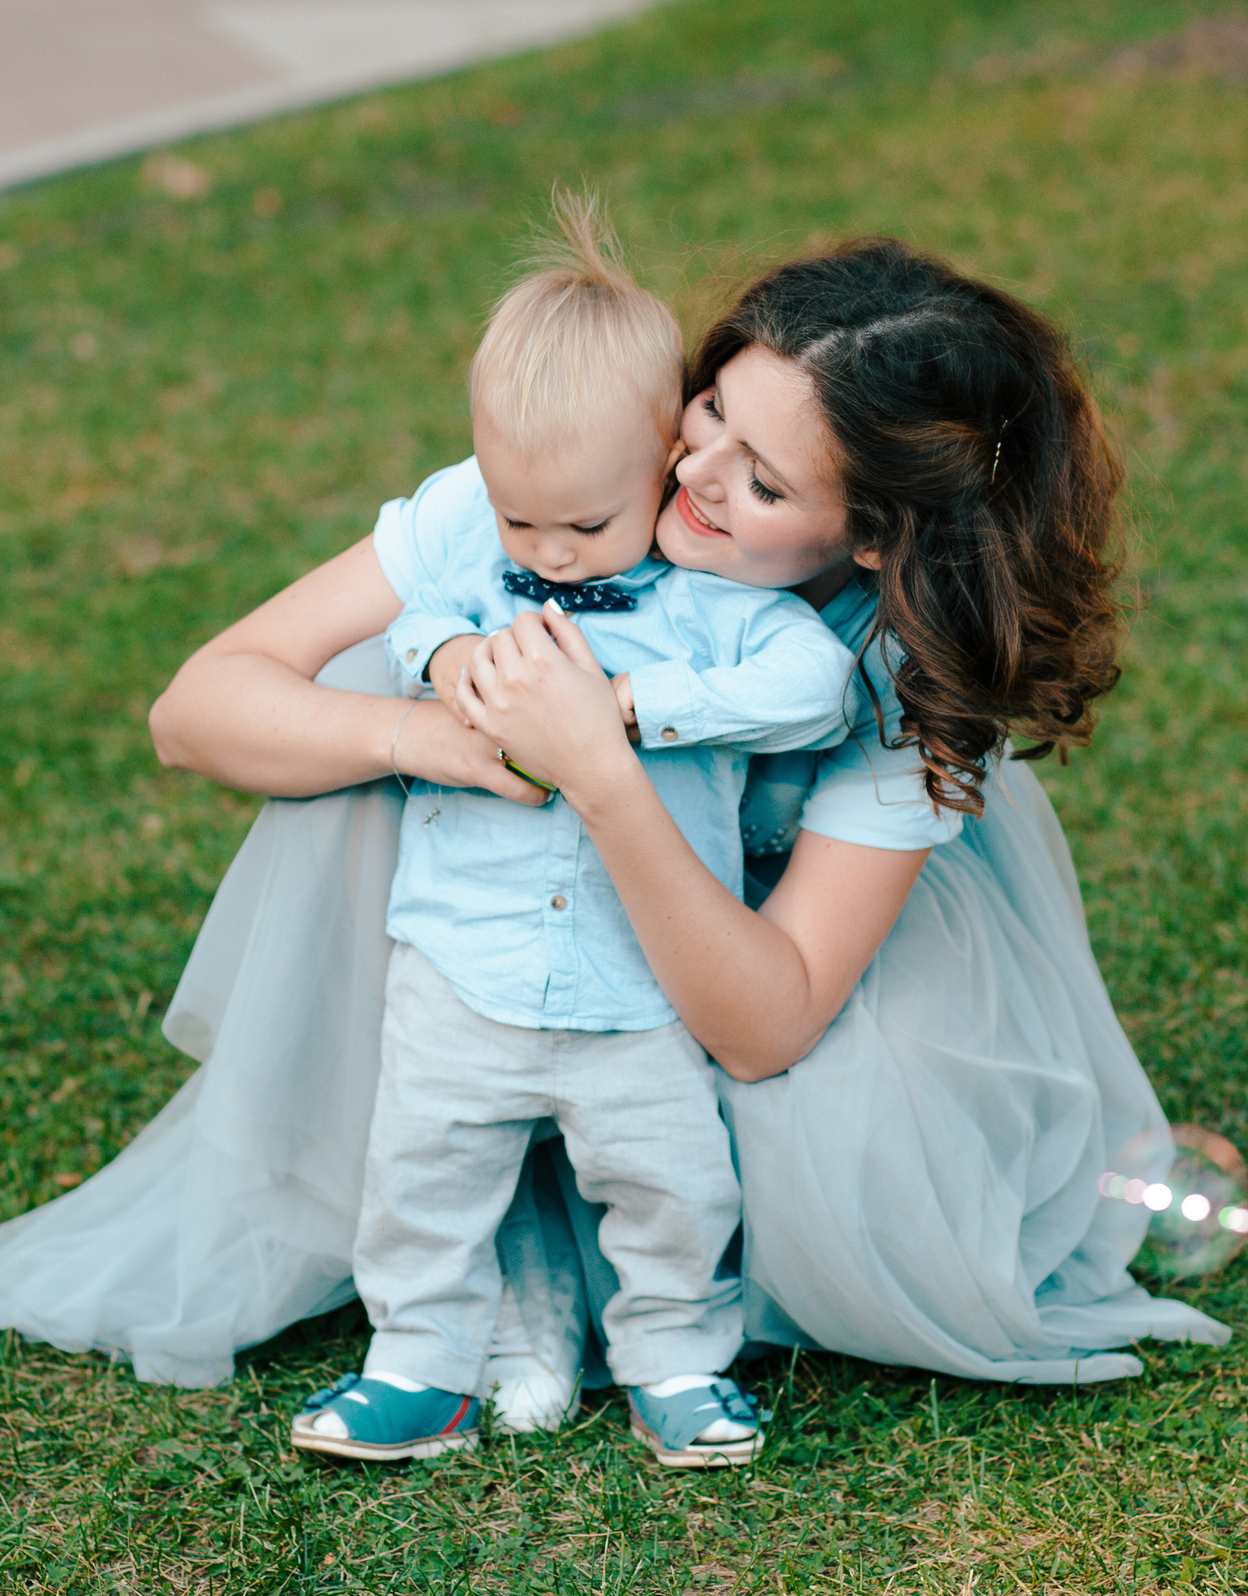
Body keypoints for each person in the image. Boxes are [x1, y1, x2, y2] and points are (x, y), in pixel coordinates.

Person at [0, 234, 1231, 1430]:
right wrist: (432, 738)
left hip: (757, 958)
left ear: (875, 535)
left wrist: (605, 774)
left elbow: (764, 1020)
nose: (693, 472)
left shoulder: (905, 685)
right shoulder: (564, 488)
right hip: (500, 924)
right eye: (712, 404)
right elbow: (193, 710)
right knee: (372, 695)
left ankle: (603, 1272)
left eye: (763, 481)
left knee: (837, 1128)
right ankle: (514, 1242)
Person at [291, 202, 852, 1467]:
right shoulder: (478, 569)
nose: (544, 556)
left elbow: (815, 687)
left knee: (669, 1187)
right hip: (461, 963)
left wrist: (631, 708)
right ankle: (417, 1365)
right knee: (419, 1177)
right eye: (517, 522)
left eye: (582, 529)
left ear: (665, 459)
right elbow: (411, 620)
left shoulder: (715, 608)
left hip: (637, 987)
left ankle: (679, 1362)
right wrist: (442, 659)